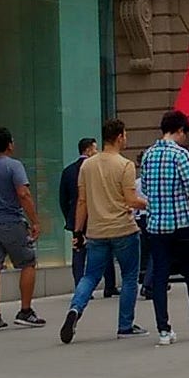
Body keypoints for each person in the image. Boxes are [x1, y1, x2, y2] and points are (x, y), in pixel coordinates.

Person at [60, 117, 146, 342]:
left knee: (89, 276)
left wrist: (78, 232)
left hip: (96, 231)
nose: (126, 139)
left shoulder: (87, 165)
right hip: (123, 228)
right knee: (128, 277)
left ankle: (75, 309)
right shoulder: (125, 165)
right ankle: (125, 326)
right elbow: (130, 199)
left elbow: (82, 202)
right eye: (125, 135)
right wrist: (147, 202)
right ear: (119, 137)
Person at [138, 108, 189, 344]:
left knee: (160, 276)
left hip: (156, 225)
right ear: (180, 130)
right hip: (181, 223)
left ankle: (164, 330)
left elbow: (147, 190)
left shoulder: (148, 156)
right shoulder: (181, 155)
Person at [0, 129, 45, 330]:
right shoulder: (14, 166)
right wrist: (35, 221)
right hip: (11, 221)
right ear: (9, 144)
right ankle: (25, 310)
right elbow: (23, 193)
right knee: (28, 262)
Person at [59, 138, 115, 296]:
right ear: (89, 150)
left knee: (78, 252)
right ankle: (109, 285)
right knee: (105, 248)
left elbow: (63, 198)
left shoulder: (68, 170)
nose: (96, 153)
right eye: (95, 149)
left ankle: (80, 288)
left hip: (75, 216)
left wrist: (70, 217)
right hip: (96, 215)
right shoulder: (96, 169)